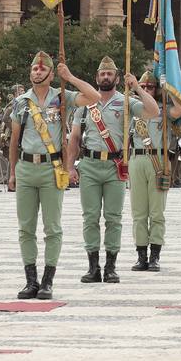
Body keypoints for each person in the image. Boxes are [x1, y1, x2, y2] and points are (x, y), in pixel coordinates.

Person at [8, 51, 100, 300]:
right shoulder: (21, 102)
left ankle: (48, 281)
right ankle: (31, 280)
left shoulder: (62, 98)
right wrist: (12, 173)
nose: (36, 72)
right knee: (26, 228)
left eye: (41, 69)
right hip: (26, 168)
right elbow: (14, 141)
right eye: (34, 69)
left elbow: (94, 96)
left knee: (52, 228)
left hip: (52, 168)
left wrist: (69, 77)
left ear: (50, 74)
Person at [66, 57, 161, 285]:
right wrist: (70, 166)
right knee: (90, 218)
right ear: (96, 78)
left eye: (110, 74)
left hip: (114, 166)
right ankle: (92, 266)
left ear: (117, 78)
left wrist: (137, 87)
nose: (105, 78)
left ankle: (110, 266)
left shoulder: (126, 102)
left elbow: (153, 110)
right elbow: (75, 138)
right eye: (102, 74)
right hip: (89, 165)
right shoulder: (86, 104)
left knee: (113, 218)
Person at [128, 71, 181, 273]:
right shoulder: (132, 108)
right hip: (136, 158)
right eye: (143, 87)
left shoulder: (163, 110)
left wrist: (168, 88)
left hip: (158, 160)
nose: (146, 90)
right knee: (138, 212)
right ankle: (141, 255)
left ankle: (154, 255)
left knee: (156, 212)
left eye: (150, 87)